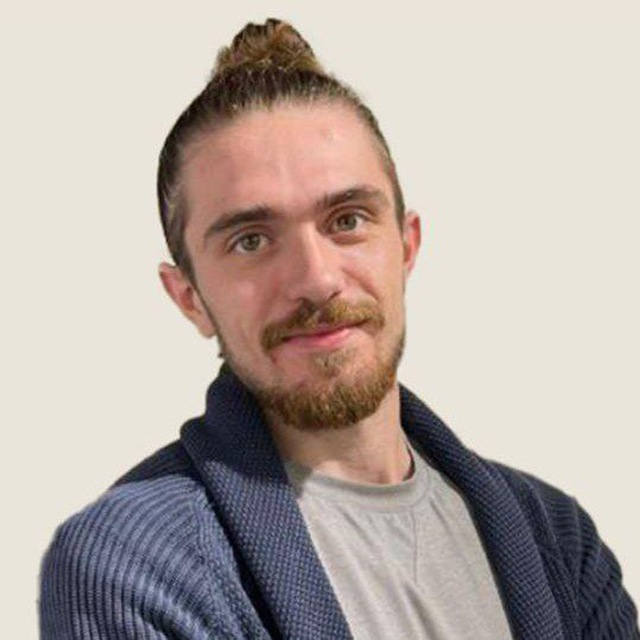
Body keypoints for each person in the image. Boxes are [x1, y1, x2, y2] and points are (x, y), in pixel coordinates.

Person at [39, 19, 639, 640]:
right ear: (188, 298)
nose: (317, 279)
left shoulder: (556, 538)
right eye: (251, 240)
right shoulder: (134, 562)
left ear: (406, 246)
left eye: (347, 220)